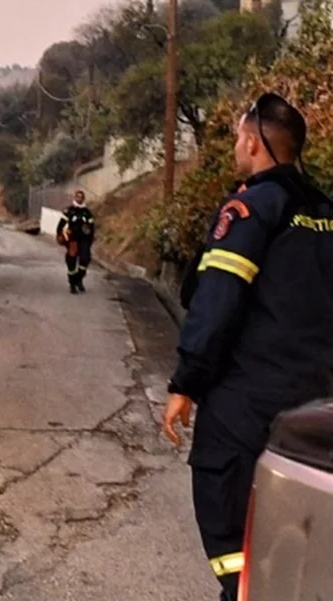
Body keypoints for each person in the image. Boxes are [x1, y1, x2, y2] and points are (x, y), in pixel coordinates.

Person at [162, 92, 333, 601]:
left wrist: (185, 385)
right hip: (319, 408)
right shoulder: (326, 212)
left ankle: (242, 591)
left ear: (255, 143)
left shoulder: (250, 210)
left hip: (248, 403)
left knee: (227, 512)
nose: (237, 146)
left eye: (239, 137)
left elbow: (217, 302)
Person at [55, 190, 95, 294]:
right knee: (71, 262)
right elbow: (60, 225)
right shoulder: (69, 210)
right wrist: (60, 236)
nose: (79, 199)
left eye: (81, 197)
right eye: (77, 197)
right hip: (73, 241)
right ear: (75, 198)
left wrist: (90, 240)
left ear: (83, 199)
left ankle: (79, 280)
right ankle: (72, 284)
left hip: (85, 241)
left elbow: (92, 228)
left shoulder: (87, 212)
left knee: (84, 261)